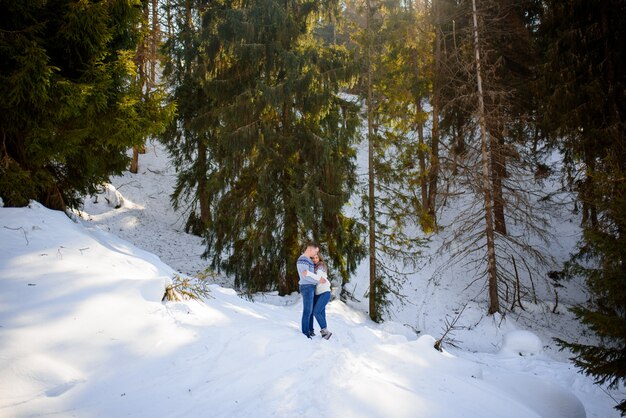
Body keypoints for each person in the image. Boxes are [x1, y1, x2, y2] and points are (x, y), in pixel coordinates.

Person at [296, 241, 326, 338]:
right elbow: (305, 277)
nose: (315, 254)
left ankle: (311, 330)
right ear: (310, 249)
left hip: (311, 287)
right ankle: (305, 332)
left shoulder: (308, 260)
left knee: (311, 310)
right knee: (307, 310)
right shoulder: (302, 260)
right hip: (307, 287)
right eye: (315, 251)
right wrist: (318, 281)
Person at [309, 253, 332, 340]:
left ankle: (326, 332)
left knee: (316, 312)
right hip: (318, 293)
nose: (315, 259)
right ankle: (324, 334)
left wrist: (307, 273)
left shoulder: (320, 266)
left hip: (325, 292)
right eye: (313, 258)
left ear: (320, 258)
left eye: (316, 257)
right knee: (321, 313)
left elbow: (318, 277)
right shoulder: (314, 267)